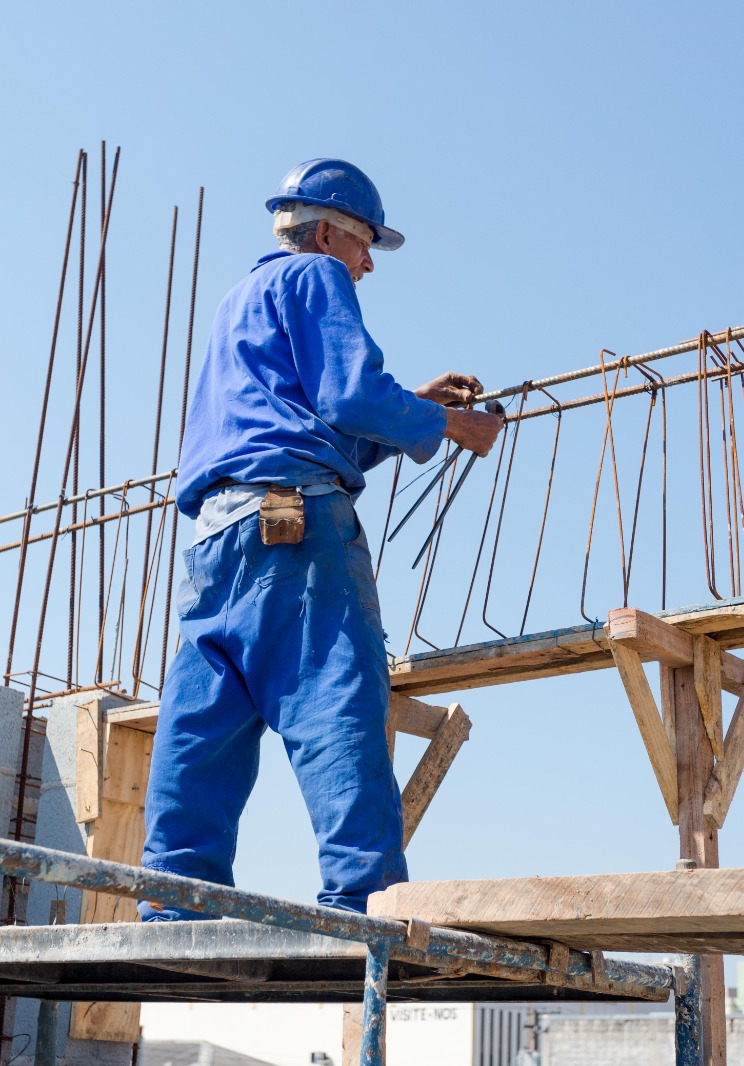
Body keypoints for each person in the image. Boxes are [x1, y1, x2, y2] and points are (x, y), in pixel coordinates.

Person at [138, 158, 504, 917]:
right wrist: (449, 424)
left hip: (214, 540)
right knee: (334, 694)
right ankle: (363, 901)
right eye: (366, 243)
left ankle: (174, 901)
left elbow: (313, 424)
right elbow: (350, 394)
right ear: (328, 231)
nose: (368, 263)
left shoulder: (240, 299)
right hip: (296, 528)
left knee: (206, 718)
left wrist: (412, 407)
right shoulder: (315, 278)